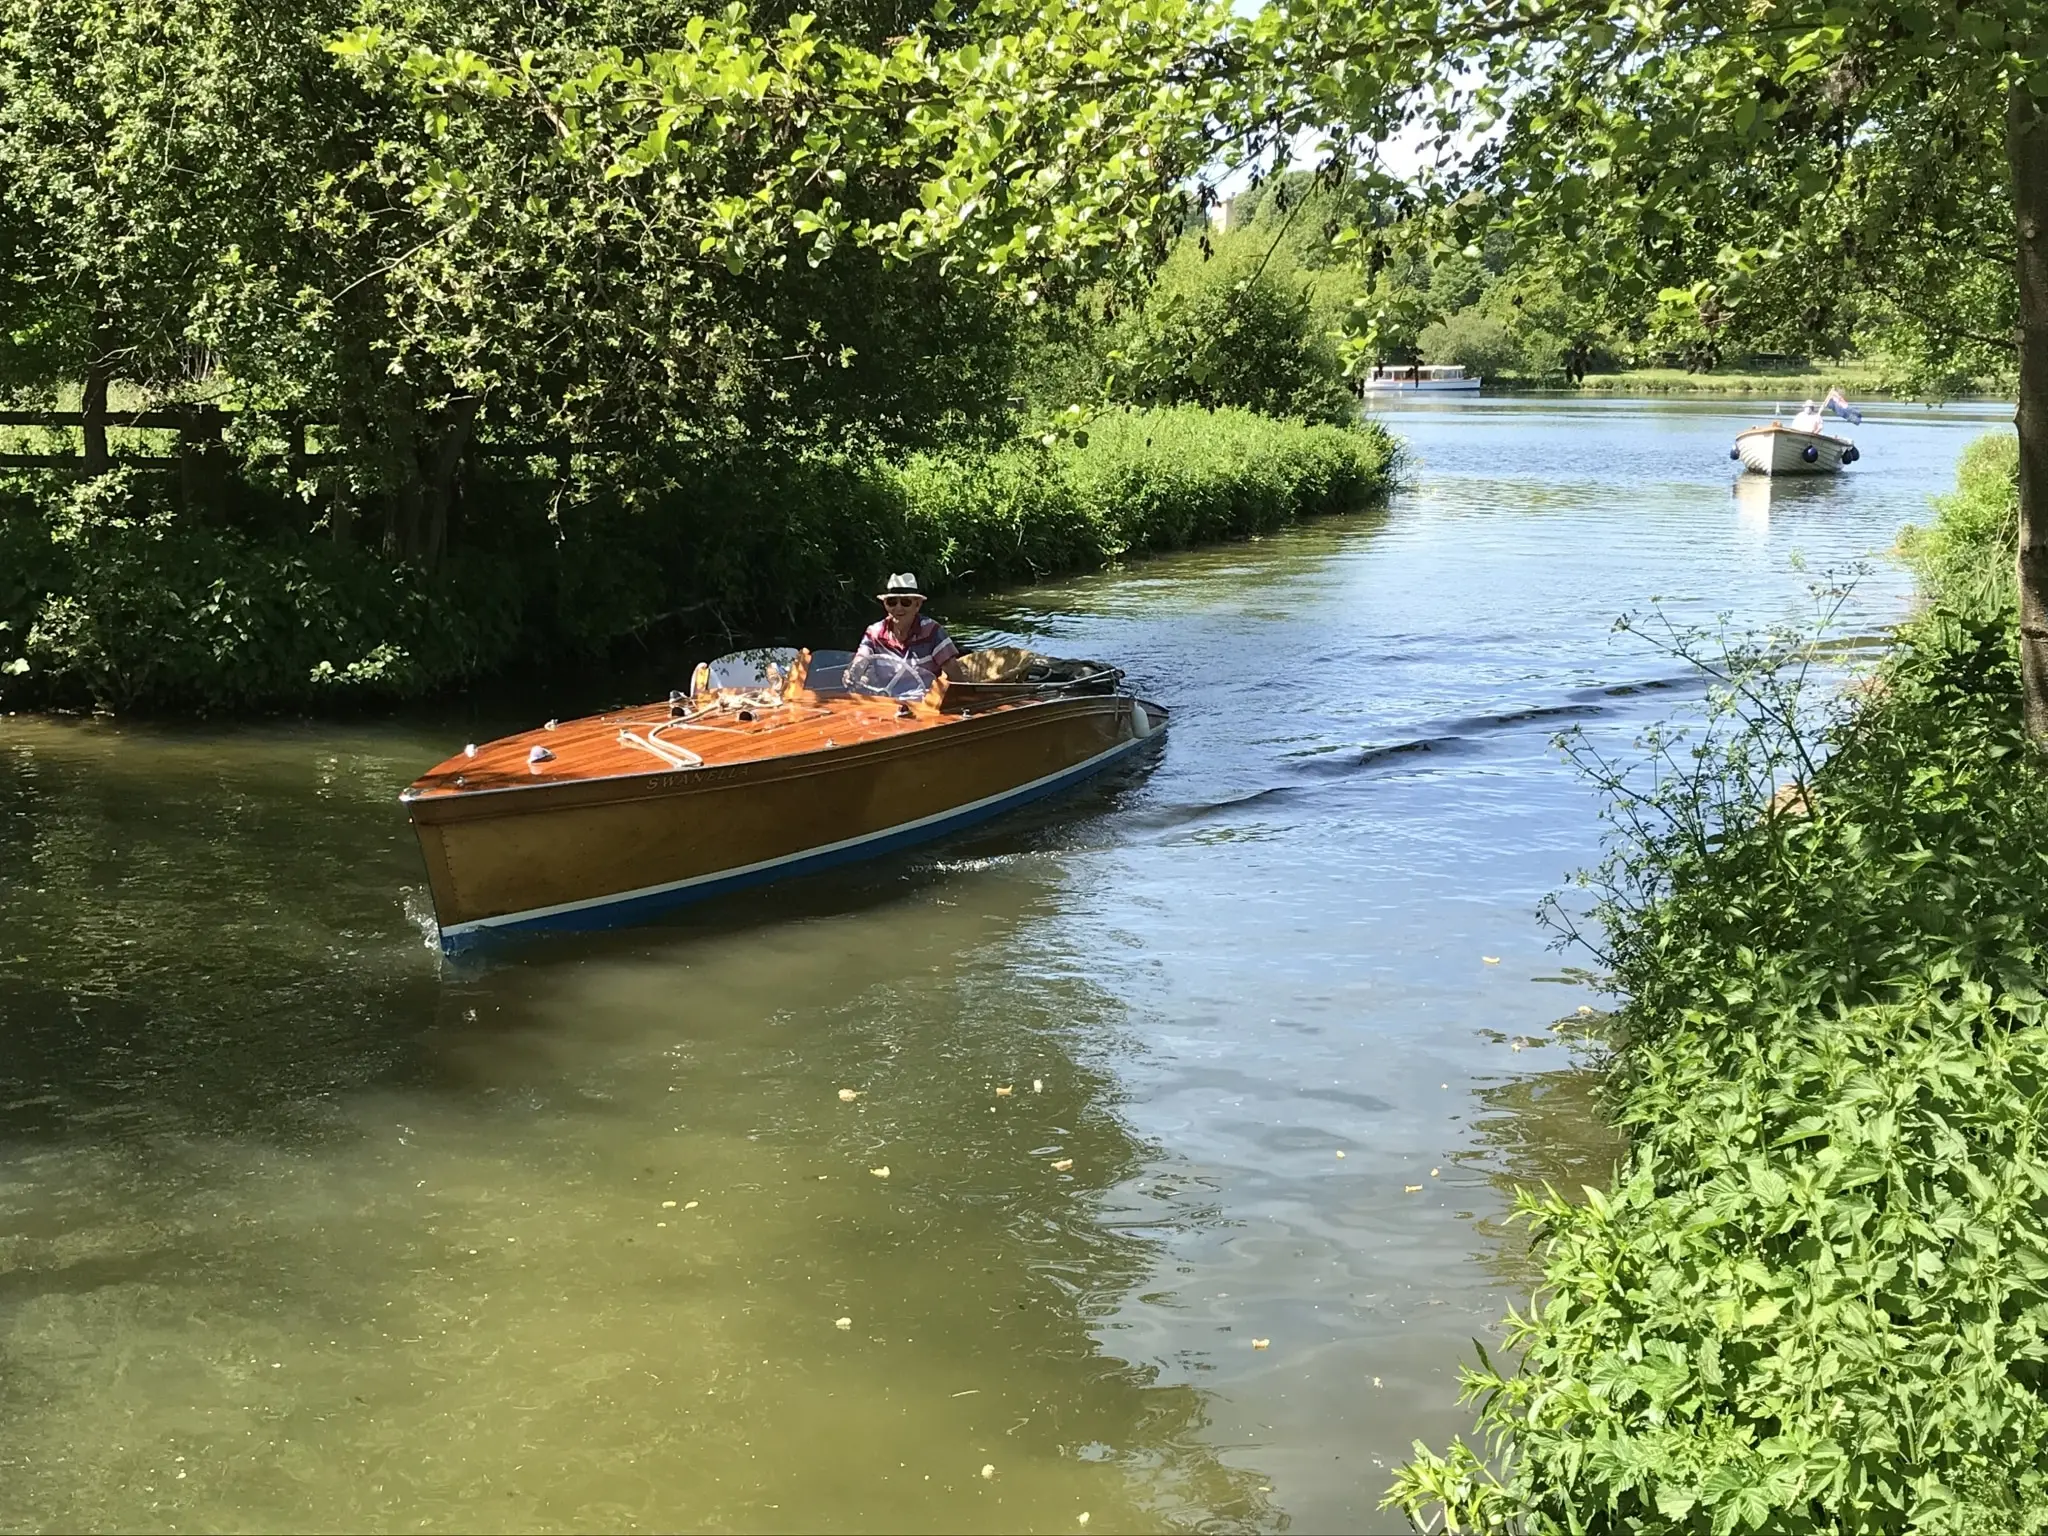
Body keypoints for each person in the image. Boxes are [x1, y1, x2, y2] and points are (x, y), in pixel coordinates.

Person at [849, 572, 960, 693]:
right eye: (892, 602)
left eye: (905, 602)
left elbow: (955, 676)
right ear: (885, 605)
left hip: (925, 705)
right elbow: (860, 660)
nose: (898, 608)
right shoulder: (874, 633)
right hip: (886, 703)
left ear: (917, 605)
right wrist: (853, 673)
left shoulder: (933, 631)